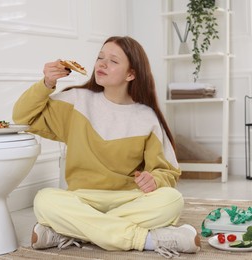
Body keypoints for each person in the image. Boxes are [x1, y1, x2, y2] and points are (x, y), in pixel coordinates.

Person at [12, 36, 201, 258]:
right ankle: (147, 240)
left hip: (128, 198)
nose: (101, 64)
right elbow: (22, 117)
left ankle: (73, 231)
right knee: (44, 200)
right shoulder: (76, 101)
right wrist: (46, 83)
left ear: (131, 74)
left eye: (113, 61)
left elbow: (167, 172)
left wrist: (155, 179)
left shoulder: (146, 117)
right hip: (82, 198)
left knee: (172, 200)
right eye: (100, 57)